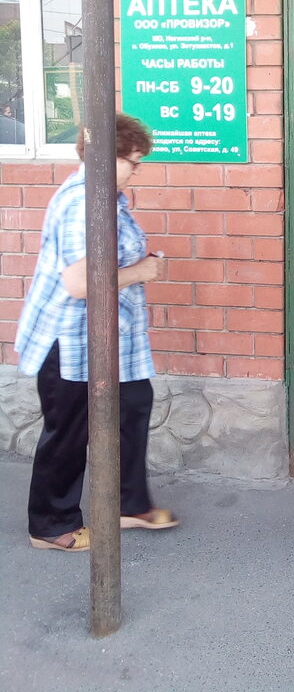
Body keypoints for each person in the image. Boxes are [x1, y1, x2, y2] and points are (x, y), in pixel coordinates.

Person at [15, 112, 178, 552]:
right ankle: (50, 525)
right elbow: (78, 283)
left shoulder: (110, 198)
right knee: (68, 431)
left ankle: (128, 504)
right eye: (133, 162)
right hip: (70, 339)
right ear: (108, 158)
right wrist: (140, 271)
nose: (137, 170)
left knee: (134, 404)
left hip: (108, 339)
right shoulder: (81, 203)